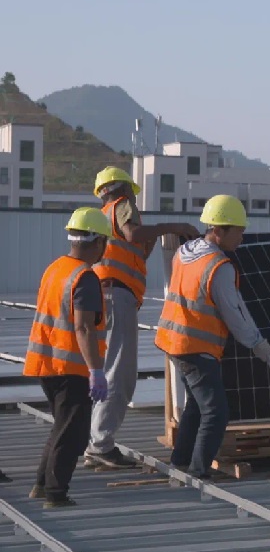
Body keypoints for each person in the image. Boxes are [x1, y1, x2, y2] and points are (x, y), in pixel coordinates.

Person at [154, 195, 270, 479]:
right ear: (219, 230)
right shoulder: (219, 266)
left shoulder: (185, 251)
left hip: (173, 341)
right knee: (216, 412)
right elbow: (233, 313)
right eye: (238, 231)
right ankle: (198, 474)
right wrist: (256, 343)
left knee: (197, 407)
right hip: (195, 346)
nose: (242, 238)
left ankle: (180, 463)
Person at [85, 166, 200, 470]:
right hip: (115, 297)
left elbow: (132, 247)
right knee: (119, 374)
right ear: (122, 189)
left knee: (108, 371)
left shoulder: (102, 218)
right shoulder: (122, 206)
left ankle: (96, 442)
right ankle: (100, 445)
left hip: (106, 296)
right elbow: (133, 233)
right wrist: (172, 225)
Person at [24, 208, 112, 508]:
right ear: (98, 241)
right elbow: (84, 326)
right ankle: (56, 493)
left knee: (61, 426)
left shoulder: (56, 268)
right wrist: (96, 371)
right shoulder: (85, 277)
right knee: (72, 433)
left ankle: (41, 484)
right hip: (71, 366)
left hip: (48, 364)